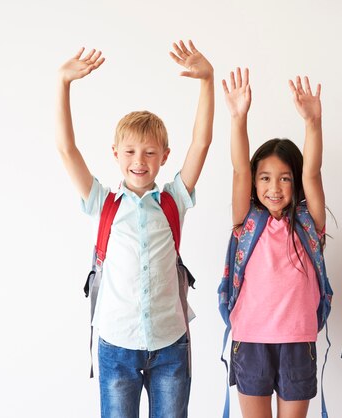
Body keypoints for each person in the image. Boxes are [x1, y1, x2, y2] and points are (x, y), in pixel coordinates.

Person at [55, 40, 214, 418]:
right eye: (129, 151)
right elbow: (66, 149)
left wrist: (207, 81)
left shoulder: (173, 199)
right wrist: (63, 84)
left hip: (170, 346)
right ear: (115, 154)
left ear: (164, 156)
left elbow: (202, 143)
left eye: (149, 152)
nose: (139, 161)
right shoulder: (103, 202)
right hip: (116, 345)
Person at [221, 67, 327, 418]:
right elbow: (239, 170)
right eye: (265, 178)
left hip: (298, 342)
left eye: (284, 178)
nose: (275, 188)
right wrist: (238, 119)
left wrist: (313, 123)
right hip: (250, 340)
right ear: (255, 183)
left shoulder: (309, 225)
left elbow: (312, 171)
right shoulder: (247, 222)